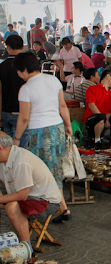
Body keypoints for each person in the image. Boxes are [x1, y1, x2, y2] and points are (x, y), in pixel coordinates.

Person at [13, 52, 72, 222]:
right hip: (58, 128)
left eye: (18, 71)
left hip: (40, 133)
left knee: (44, 171)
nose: (18, 74)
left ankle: (59, 207)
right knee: (55, 169)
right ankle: (62, 207)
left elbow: (23, 118)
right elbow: (62, 105)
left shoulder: (26, 88)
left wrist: (17, 139)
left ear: (24, 69)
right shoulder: (53, 80)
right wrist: (67, 125)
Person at [0, 131, 63, 248]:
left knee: (12, 207)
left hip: (46, 201)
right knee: (9, 204)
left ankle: (26, 248)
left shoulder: (21, 161)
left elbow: (21, 195)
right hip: (27, 195)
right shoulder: (5, 157)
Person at [83, 70, 111, 149]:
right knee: (100, 118)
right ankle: (97, 141)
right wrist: (104, 118)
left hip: (105, 118)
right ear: (108, 76)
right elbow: (91, 105)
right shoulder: (92, 88)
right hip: (93, 118)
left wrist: (108, 116)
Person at [0, 35, 29, 148]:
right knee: (21, 150)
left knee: (7, 148)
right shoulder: (27, 67)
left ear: (8, 47)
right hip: (22, 112)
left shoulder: (2, 66)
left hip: (6, 112)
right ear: (22, 47)